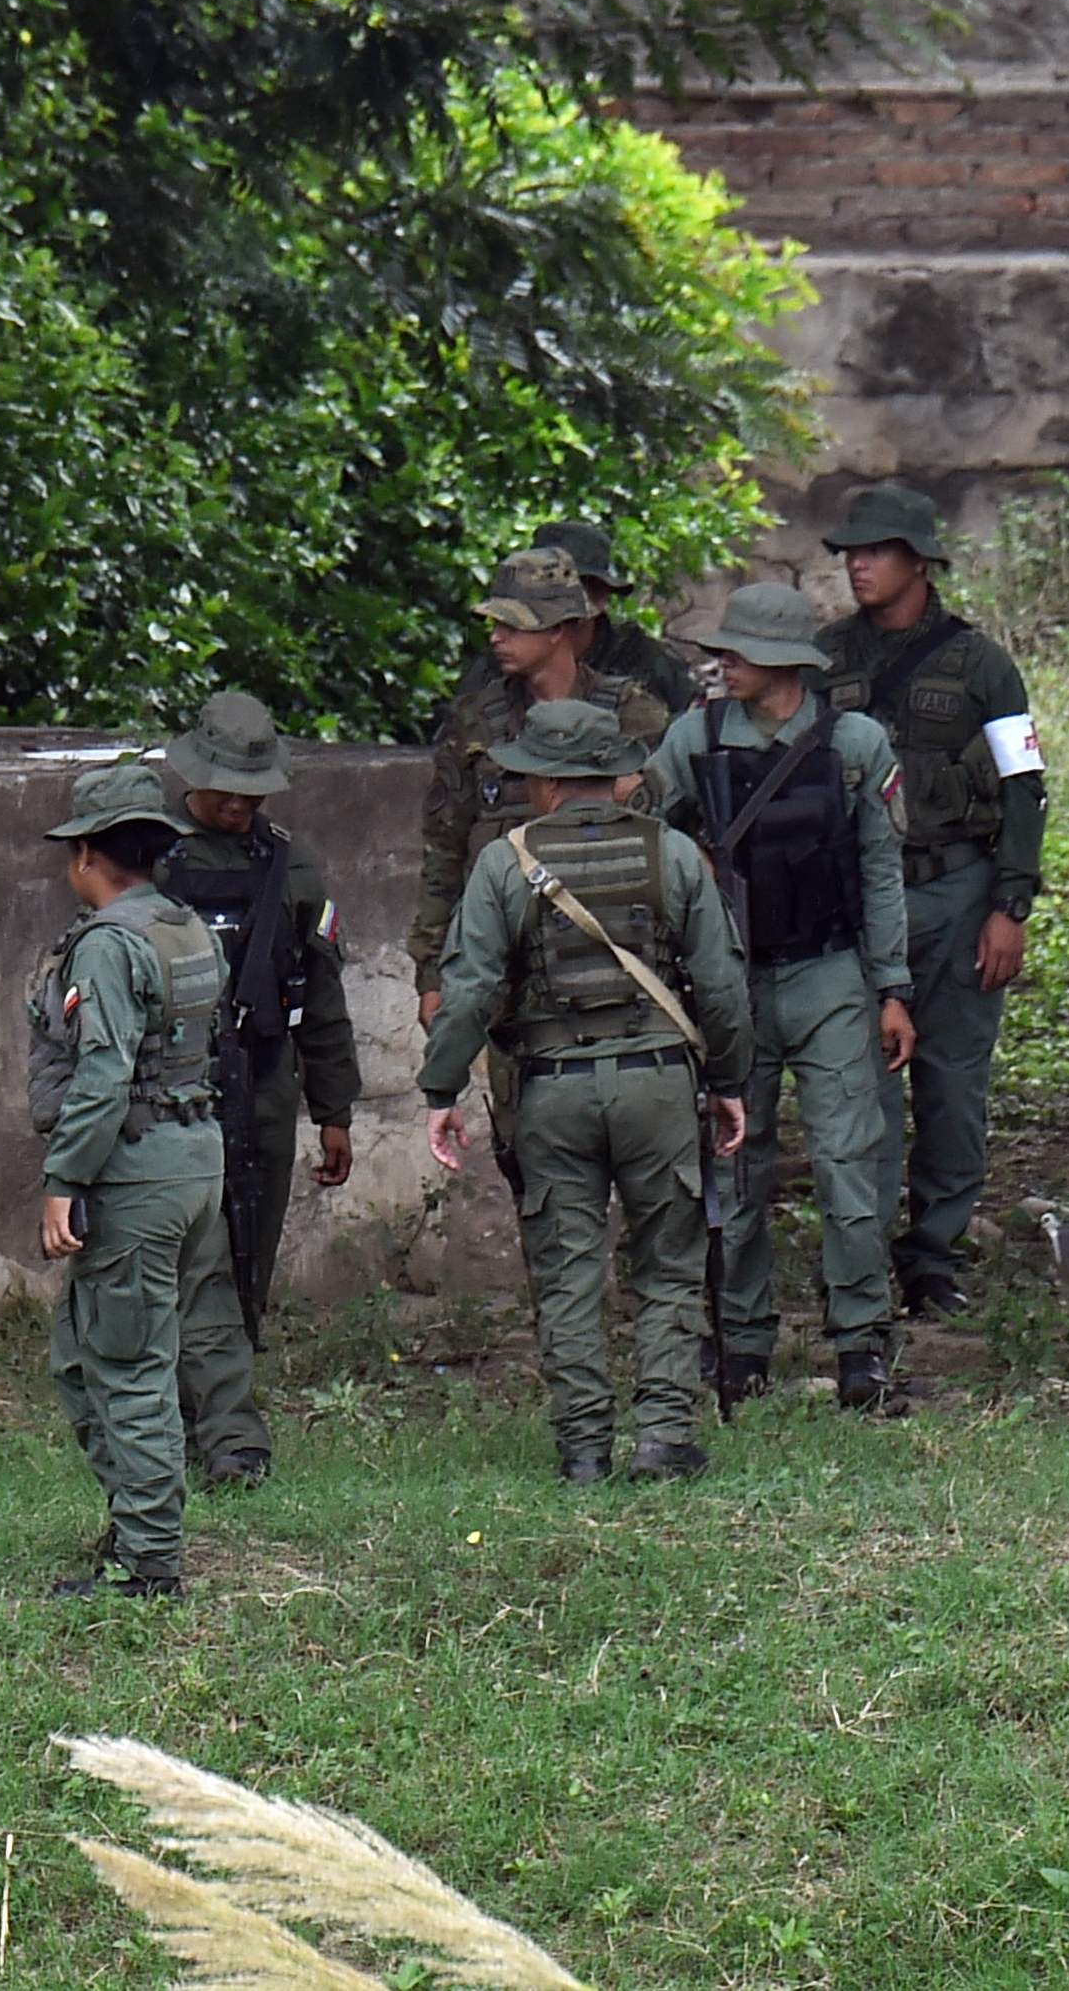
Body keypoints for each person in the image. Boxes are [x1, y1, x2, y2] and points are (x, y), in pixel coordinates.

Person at [418, 700, 755, 1480]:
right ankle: (664, 1437)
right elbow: (722, 987)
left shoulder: (505, 863)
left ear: (542, 781)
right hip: (659, 1087)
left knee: (567, 1270)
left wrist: (441, 1091)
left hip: (553, 1090)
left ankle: (582, 1451)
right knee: (669, 1262)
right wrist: (729, 1081)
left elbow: (466, 991)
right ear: (617, 776)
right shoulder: (672, 855)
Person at [651, 581, 922, 1413]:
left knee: (850, 1159)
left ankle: (860, 1347)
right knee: (736, 1163)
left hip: (830, 972)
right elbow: (637, 827)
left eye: (738, 652)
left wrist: (892, 988)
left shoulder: (857, 743)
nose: (721, 663)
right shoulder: (693, 736)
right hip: (730, 978)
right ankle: (742, 1340)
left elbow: (881, 870)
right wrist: (683, 860)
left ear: (783, 661)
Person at [816, 482, 1045, 1321]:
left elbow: (1025, 786)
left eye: (874, 551)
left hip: (956, 892)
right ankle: (862, 1252)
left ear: (918, 561)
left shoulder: (982, 664)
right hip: (855, 905)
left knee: (951, 1084)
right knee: (859, 1083)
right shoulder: (825, 658)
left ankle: (934, 1254)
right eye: (850, 553)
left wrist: (1010, 905)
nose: (858, 566)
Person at [411, 547, 679, 1182]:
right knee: (531, 1157)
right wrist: (430, 971)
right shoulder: (475, 723)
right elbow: (443, 853)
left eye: (515, 624)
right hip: (509, 969)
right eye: (495, 624)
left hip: (618, 968)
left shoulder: (634, 717)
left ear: (560, 631)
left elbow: (673, 851)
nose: (497, 638)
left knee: (652, 1167)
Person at [27, 760, 229, 1600]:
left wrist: (62, 1178)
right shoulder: (186, 927)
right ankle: (137, 1519)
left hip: (137, 1171)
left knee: (131, 1363)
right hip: (191, 1159)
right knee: (87, 1354)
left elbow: (104, 1073)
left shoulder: (109, 945)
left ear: (87, 857)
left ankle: (149, 1563)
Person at [158, 690, 362, 1485]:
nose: (238, 804)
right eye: (224, 788)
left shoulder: (293, 866)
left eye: (253, 790)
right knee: (187, 1264)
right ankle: (194, 1427)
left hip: (268, 1088)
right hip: (174, 1092)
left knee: (249, 1259)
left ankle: (219, 1423)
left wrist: (334, 1111)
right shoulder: (154, 860)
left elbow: (324, 995)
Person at [533, 518, 704, 717]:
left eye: (562, 589)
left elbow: (693, 728)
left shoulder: (644, 660)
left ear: (598, 595)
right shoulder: (509, 657)